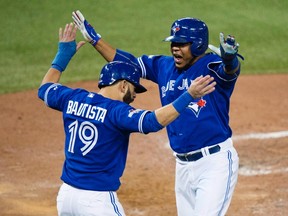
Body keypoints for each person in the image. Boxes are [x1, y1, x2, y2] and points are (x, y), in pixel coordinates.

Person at [72, 10, 245, 216]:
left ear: (198, 45)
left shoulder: (211, 68)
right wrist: (96, 41)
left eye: (181, 44)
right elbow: (127, 64)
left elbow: (230, 72)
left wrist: (230, 60)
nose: (175, 48)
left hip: (214, 164)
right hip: (182, 166)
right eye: (173, 43)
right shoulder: (164, 66)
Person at [38, 23, 216, 216]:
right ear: (123, 86)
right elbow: (152, 121)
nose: (134, 95)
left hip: (65, 197)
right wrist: (188, 95)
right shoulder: (117, 112)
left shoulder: (72, 97)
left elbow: (45, 87)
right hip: (96, 201)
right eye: (133, 89)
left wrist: (63, 56)